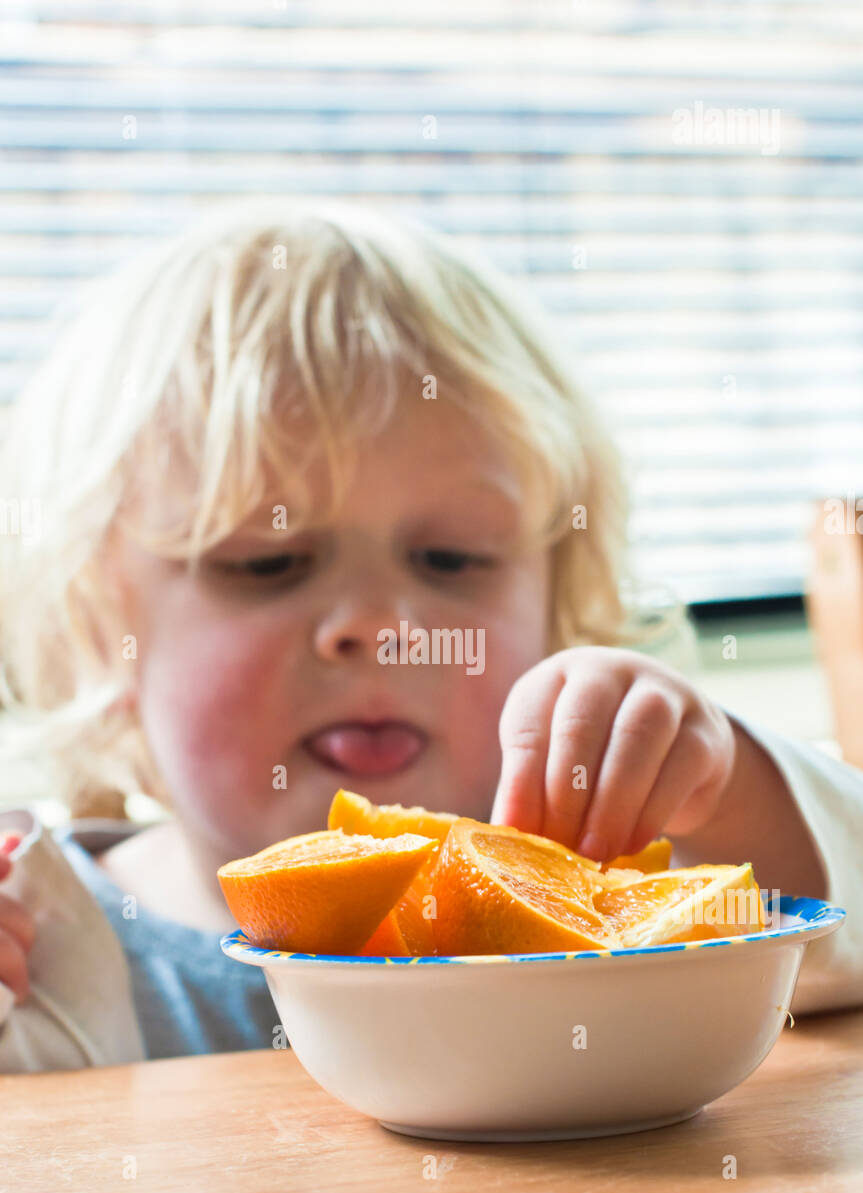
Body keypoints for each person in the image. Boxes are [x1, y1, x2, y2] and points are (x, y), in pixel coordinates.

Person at [0, 199, 861, 1070]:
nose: (382, 629)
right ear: (100, 629)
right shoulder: (49, 938)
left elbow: (843, 935)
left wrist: (726, 791)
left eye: (450, 558)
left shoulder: (612, 897)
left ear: (556, 604)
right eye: (268, 563)